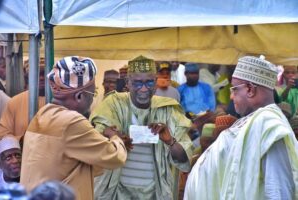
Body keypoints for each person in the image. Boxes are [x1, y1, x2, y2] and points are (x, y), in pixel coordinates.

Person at [184, 55, 298, 200]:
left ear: (250, 89)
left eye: (234, 90)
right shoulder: (255, 121)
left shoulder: (270, 127)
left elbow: (278, 190)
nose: (231, 97)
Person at [20, 56, 127, 200]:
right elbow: (114, 158)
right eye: (92, 93)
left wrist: (97, 136)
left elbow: (71, 159)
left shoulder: (43, 113)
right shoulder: (72, 122)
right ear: (79, 96)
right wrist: (115, 138)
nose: (92, 99)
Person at [90, 55, 193, 200]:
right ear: (128, 82)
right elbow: (95, 138)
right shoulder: (113, 104)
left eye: (149, 82)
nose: (144, 88)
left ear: (156, 82)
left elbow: (183, 158)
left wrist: (170, 141)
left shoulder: (168, 110)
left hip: (155, 193)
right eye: (137, 83)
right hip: (117, 192)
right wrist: (111, 135)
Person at [0, 58, 46, 141]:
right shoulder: (15, 102)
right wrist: (22, 139)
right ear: (28, 77)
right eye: (37, 74)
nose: (41, 78)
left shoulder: (62, 101)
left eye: (44, 74)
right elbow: (3, 133)